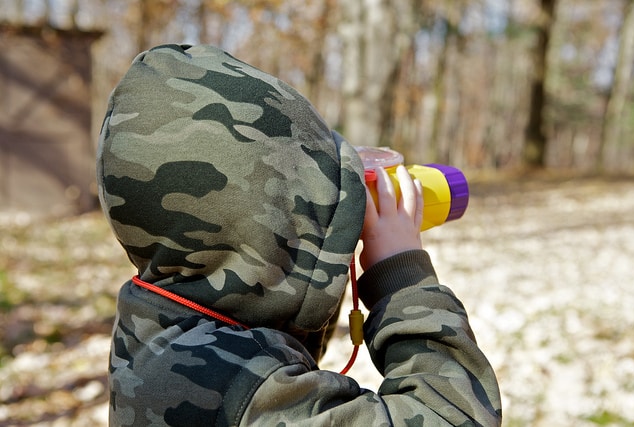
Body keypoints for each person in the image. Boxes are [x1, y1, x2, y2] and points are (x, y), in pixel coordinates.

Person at [97, 43, 502, 426]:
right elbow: (452, 415)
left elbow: (273, 325)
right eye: (315, 211)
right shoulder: (238, 388)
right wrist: (401, 275)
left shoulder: (158, 322)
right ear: (260, 232)